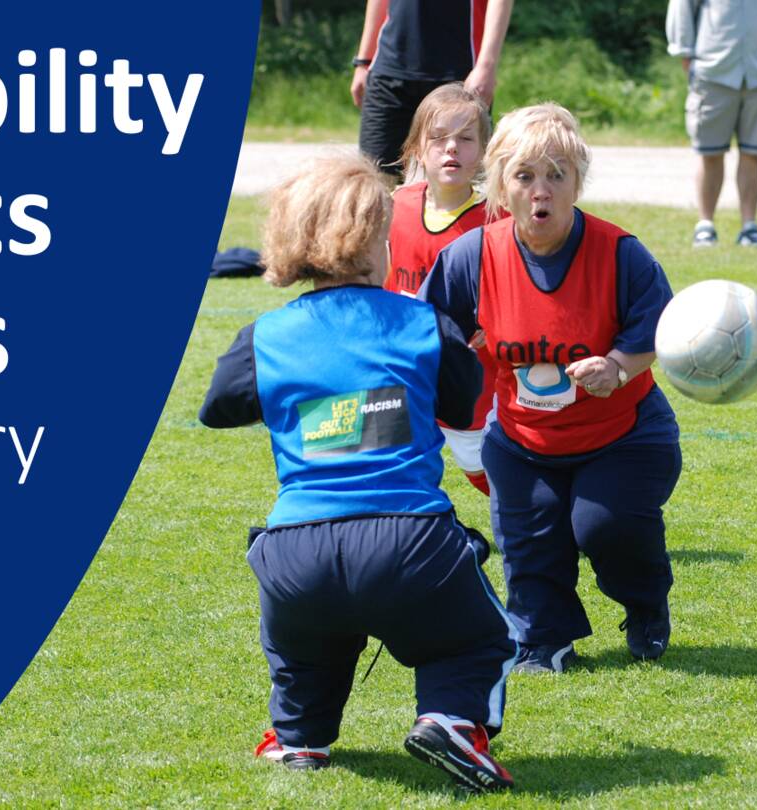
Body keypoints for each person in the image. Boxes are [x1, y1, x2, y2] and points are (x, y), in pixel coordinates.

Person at [198, 155, 517, 792]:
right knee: (478, 639)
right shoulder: (424, 323)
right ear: (374, 241)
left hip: (294, 552)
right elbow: (460, 403)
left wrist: (327, 411)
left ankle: (297, 738)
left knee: (303, 649)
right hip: (408, 541)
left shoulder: (264, 335)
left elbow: (219, 407)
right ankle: (454, 720)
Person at [421, 104, 682, 673]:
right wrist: (453, 362)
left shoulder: (620, 253)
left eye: (556, 175)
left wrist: (616, 365)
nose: (541, 191)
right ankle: (543, 638)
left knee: (604, 527)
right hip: (522, 440)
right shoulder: (471, 257)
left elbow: (660, 327)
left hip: (624, 434)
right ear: (498, 188)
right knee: (531, 535)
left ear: (577, 183)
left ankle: (645, 605)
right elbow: (427, 332)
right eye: (524, 176)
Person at [387, 83, 502, 495]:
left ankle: (535, 521)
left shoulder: (499, 220)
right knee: (391, 459)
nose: (451, 148)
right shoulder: (394, 207)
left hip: (470, 375)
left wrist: (498, 326)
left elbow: (520, 293)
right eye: (438, 138)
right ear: (418, 147)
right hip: (402, 368)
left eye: (466, 139)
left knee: (480, 462)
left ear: (485, 151)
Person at [665, 0, 757, 248]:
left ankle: (750, 227)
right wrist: (689, 58)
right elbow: (682, 10)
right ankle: (705, 225)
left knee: (752, 153)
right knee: (710, 153)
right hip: (713, 71)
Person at [350, 0, 514, 177]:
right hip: (389, 69)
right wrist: (364, 61)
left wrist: (486, 65)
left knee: (463, 183)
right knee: (375, 180)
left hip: (460, 74)